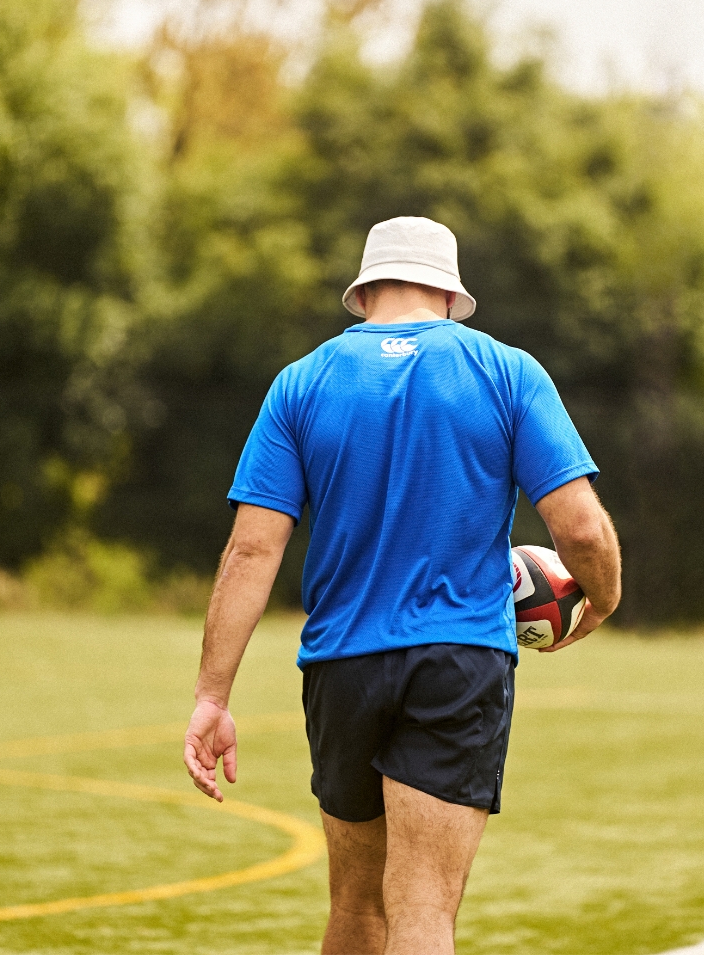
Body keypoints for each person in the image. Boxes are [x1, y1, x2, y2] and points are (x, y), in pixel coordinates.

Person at [184, 216, 621, 955]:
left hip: (340, 664)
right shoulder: (506, 370)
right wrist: (603, 599)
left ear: (365, 292)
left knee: (355, 909)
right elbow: (577, 531)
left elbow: (252, 550)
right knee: (422, 912)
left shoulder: (302, 382)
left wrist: (212, 695)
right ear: (449, 295)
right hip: (458, 662)